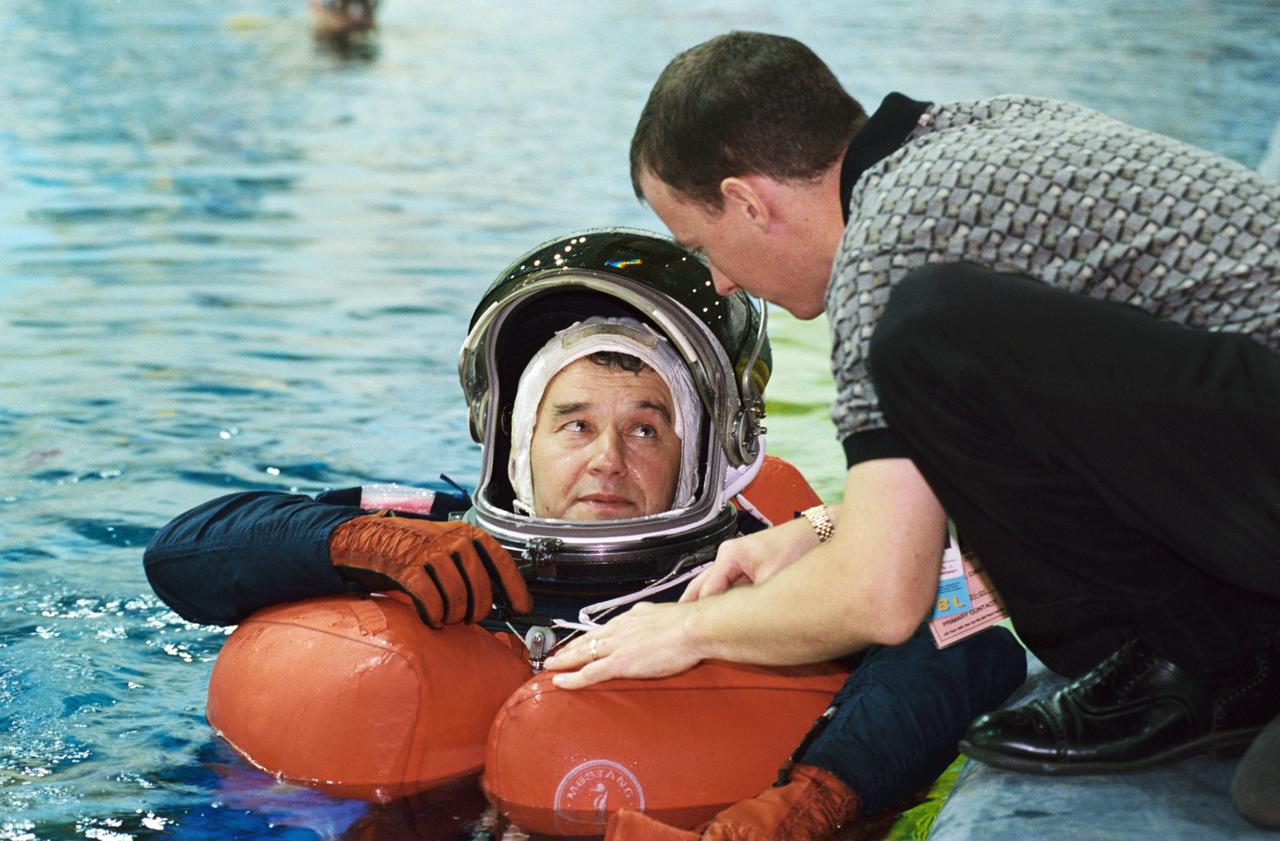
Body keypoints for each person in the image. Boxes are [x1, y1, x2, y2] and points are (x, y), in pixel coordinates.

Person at [541, 31, 1280, 834]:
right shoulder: (977, 136)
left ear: (749, 201)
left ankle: (1210, 661)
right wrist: (818, 530)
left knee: (926, 336)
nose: (718, 278)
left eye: (700, 244)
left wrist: (685, 629)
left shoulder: (889, 253)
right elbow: (998, 471)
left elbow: (883, 600)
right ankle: (1224, 659)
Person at [144, 229, 1025, 836]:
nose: (606, 458)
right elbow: (184, 551)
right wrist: (365, 546)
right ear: (516, 442)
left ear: (704, 449)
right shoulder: (437, 533)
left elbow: (970, 636)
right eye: (573, 424)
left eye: (645, 427)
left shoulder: (764, 568)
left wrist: (818, 800)